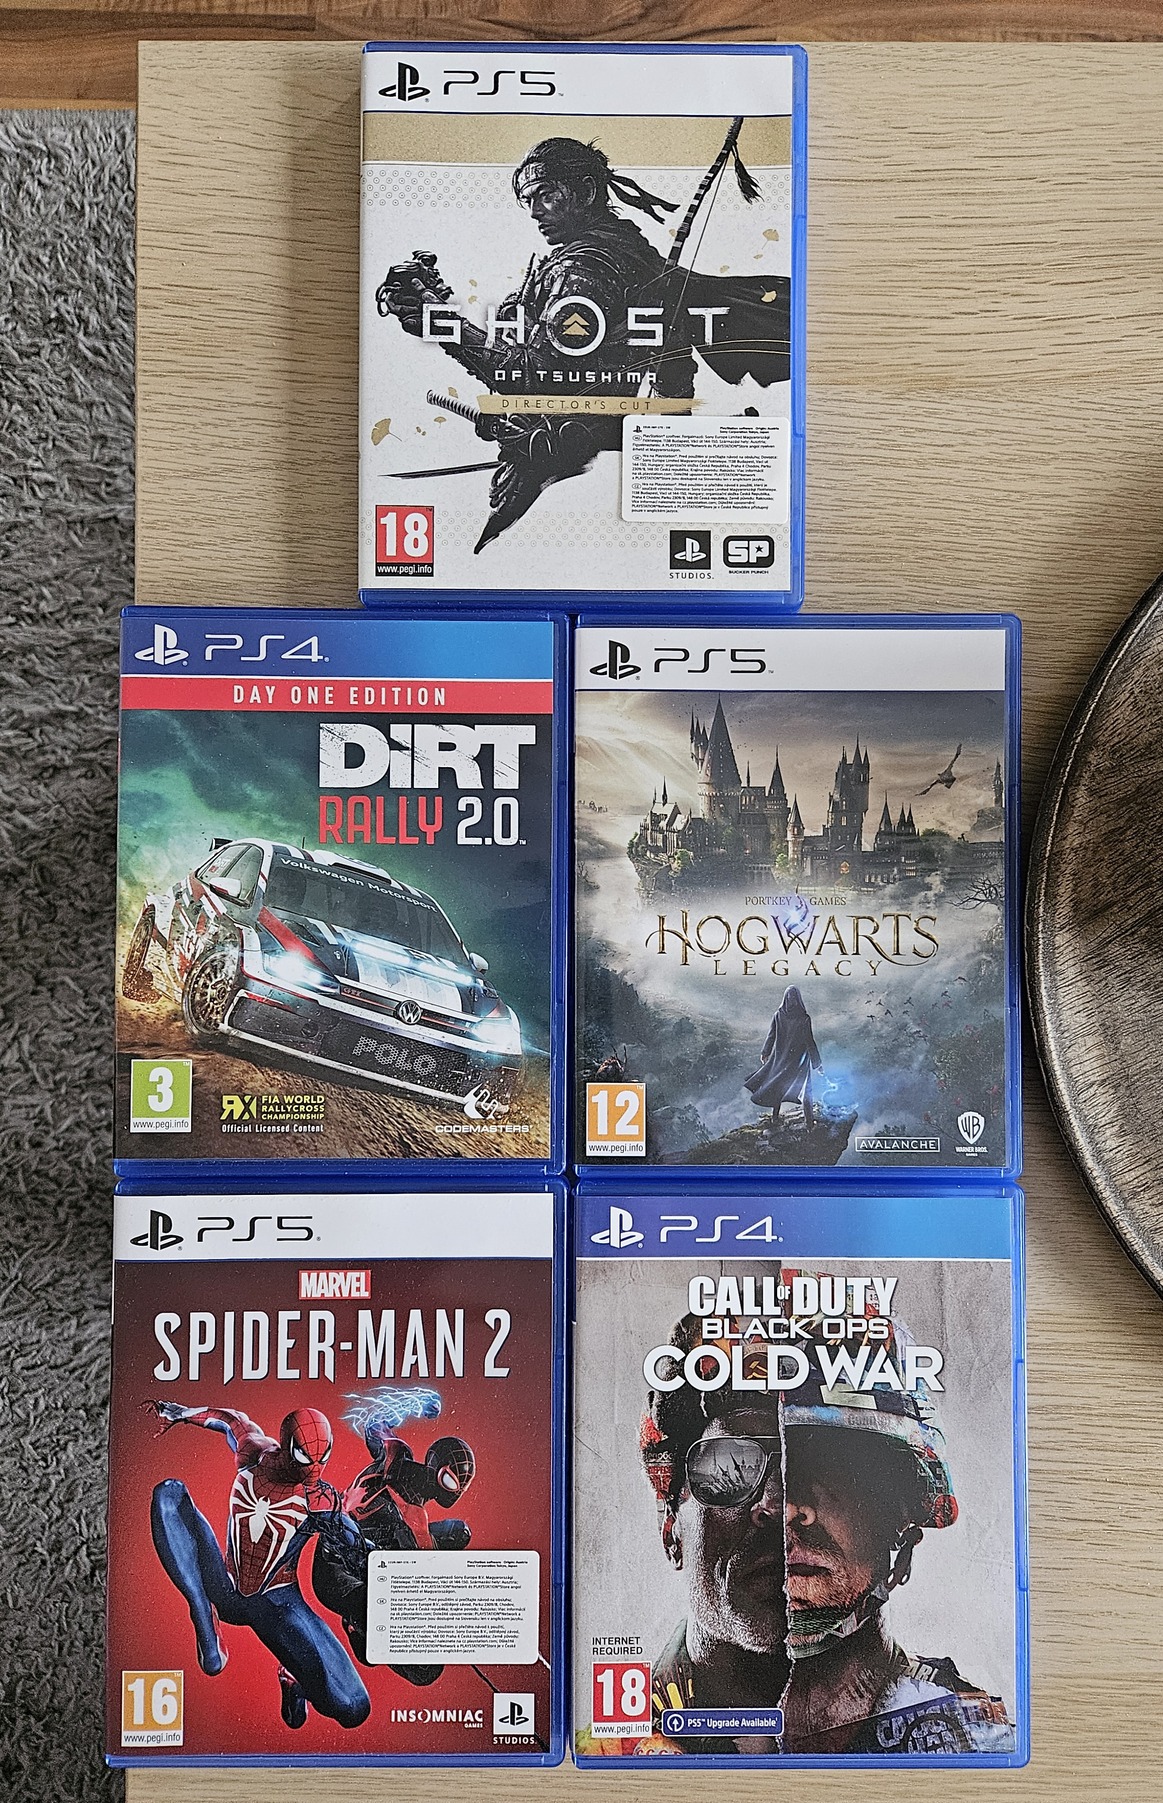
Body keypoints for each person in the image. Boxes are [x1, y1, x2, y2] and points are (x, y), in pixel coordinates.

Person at [637, 1295, 1016, 1756]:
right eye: (729, 1464)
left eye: (835, 1466)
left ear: (903, 1540)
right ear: (671, 1528)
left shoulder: (982, 1748)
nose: (781, 1506)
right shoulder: (609, 1748)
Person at [375, 133, 789, 549]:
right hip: (580, 452)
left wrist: (440, 323)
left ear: (586, 191)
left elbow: (533, 377)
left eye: (546, 195)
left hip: (574, 463)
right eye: (528, 200)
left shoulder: (584, 268)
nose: (535, 211)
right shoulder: (628, 251)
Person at [147, 1401, 371, 1732]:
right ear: (287, 1445)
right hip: (225, 1586)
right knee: (169, 1493)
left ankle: (294, 1683)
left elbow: (361, 1551)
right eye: (305, 1457)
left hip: (278, 1607)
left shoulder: (321, 1501)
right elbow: (229, 1418)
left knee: (354, 1709)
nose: (313, 1470)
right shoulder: (254, 1453)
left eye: (321, 1459)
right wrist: (180, 1413)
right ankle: (202, 1610)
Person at [744, 985, 825, 1129]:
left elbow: (771, 1035)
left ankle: (775, 1118)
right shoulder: (804, 1018)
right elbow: (809, 1041)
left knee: (778, 1085)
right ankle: (809, 1124)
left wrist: (765, 1052)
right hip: (799, 1061)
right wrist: (817, 1064)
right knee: (806, 1089)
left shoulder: (779, 1015)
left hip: (780, 1058)